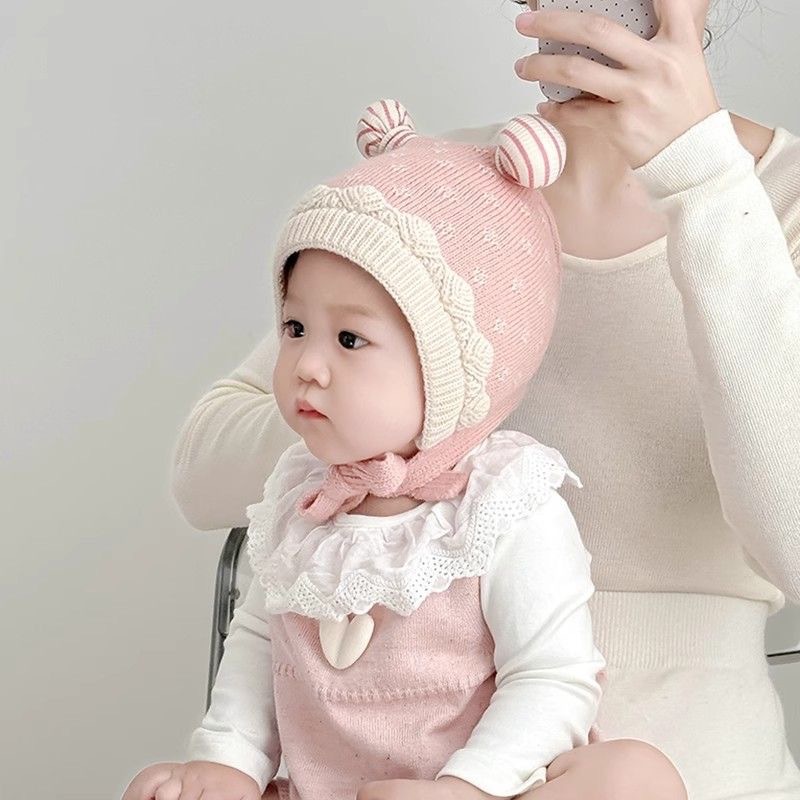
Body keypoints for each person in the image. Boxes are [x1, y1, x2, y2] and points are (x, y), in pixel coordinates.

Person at [166, 1, 799, 798]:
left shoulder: (781, 199)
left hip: (689, 763)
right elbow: (202, 471)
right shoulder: (456, 190)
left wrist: (703, 176)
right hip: (387, 757)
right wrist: (414, 412)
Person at [121, 100, 689, 800]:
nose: (307, 365)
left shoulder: (503, 506)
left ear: (451, 372)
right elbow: (259, 649)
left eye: (349, 340)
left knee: (636, 777)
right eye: (294, 327)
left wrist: (467, 787)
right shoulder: (299, 496)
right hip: (326, 788)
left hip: (483, 787)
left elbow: (551, 677)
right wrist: (226, 762)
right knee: (163, 788)